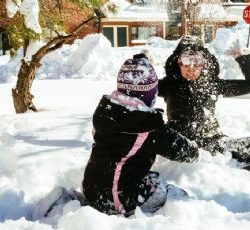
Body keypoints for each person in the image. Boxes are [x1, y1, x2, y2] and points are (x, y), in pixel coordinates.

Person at [158, 35, 250, 172]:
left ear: (204, 62)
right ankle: (235, 170)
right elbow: (140, 89)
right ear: (178, 62)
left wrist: (243, 59)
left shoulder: (212, 85)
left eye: (196, 61)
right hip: (183, 144)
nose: (191, 68)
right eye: (186, 61)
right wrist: (141, 69)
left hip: (214, 142)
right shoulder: (169, 85)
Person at [81, 55, 199, 216]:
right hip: (117, 199)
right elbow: (185, 151)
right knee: (176, 195)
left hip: (92, 188)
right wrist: (195, 149)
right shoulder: (147, 127)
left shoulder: (106, 113)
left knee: (143, 174)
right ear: (149, 94)